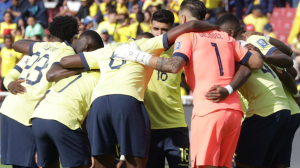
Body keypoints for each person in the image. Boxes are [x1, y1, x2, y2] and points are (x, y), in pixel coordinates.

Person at [112, 1, 264, 168]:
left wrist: (138, 56)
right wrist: (228, 86)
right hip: (234, 111)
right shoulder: (225, 36)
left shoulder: (187, 37)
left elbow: (173, 66)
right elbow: (255, 63)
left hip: (208, 109)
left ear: (183, 18)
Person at [59, 19, 220, 168]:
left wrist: (94, 66)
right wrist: (216, 28)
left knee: (102, 161)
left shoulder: (108, 50)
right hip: (127, 99)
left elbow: (65, 61)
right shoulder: (145, 45)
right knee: (136, 160)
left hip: (99, 104)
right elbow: (190, 24)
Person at [214, 13, 293, 168]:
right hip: (282, 109)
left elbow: (286, 60)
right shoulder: (247, 45)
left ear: (229, 33)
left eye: (219, 34)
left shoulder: (241, 44)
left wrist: (227, 90)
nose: (217, 38)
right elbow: (290, 68)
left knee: (243, 163)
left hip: (265, 110)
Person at [0, 15, 79, 168]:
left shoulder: (38, 48)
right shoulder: (68, 53)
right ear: (72, 36)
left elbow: (11, 74)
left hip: (10, 108)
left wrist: (10, 84)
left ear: (51, 32)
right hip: (27, 113)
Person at [31, 30, 103, 168]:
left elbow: (41, 100)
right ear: (89, 50)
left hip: (39, 118)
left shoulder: (65, 75)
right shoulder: (101, 76)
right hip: (64, 119)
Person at [237, 30, 300, 168]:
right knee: (275, 162)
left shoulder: (249, 42)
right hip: (287, 110)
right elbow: (291, 69)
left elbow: (288, 64)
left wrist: (264, 53)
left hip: (270, 110)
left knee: (245, 162)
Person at [141, 9, 190, 168]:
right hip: (149, 129)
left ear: (173, 30)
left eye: (164, 30)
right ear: (150, 28)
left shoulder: (181, 53)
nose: (159, 34)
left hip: (176, 126)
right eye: (156, 29)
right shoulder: (138, 51)